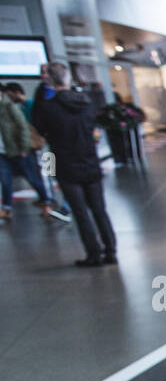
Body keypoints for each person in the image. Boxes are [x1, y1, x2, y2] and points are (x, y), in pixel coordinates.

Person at [31, 62, 116, 266]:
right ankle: (110, 251)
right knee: (99, 209)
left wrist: (42, 93)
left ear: (49, 80)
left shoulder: (47, 108)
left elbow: (39, 127)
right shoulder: (85, 102)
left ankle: (94, 254)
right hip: (90, 161)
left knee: (80, 212)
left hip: (67, 164)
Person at [0, 82, 53, 219]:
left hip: (18, 150)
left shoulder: (9, 106)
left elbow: (23, 127)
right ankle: (6, 208)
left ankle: (46, 201)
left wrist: (24, 147)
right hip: (3, 152)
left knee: (33, 178)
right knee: (5, 181)